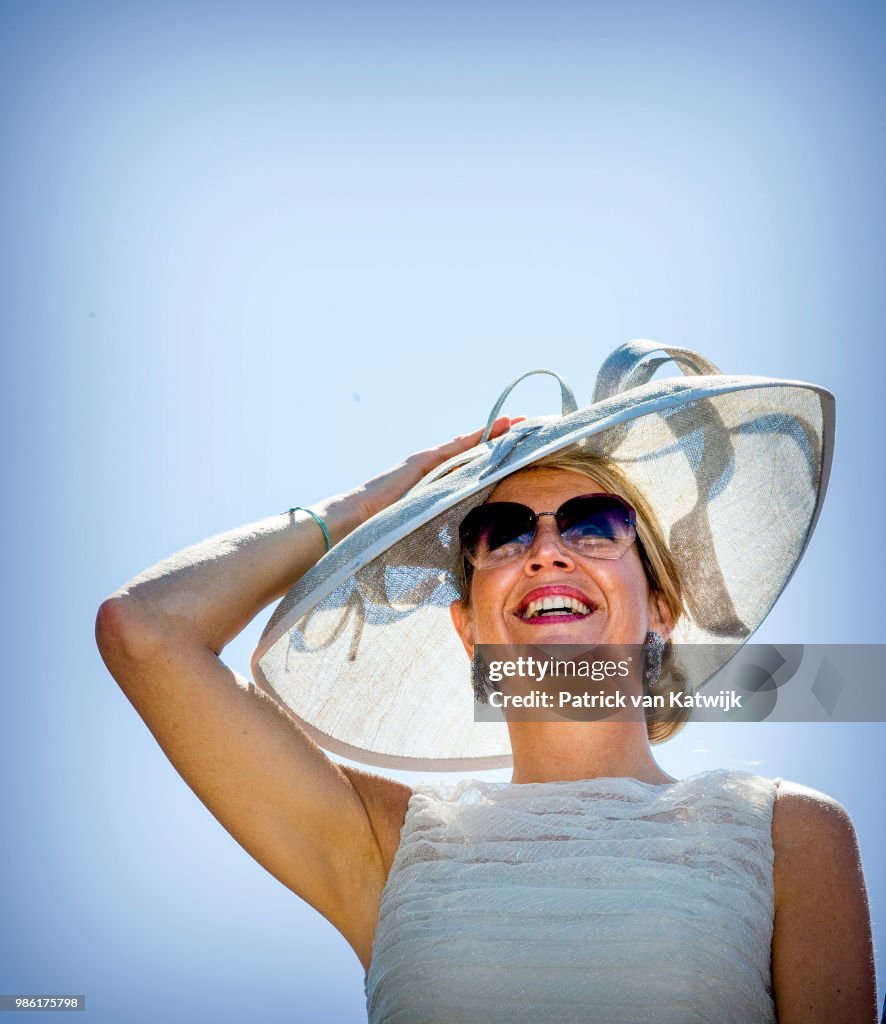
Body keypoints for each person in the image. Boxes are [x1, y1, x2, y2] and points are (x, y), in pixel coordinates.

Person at [96, 343, 878, 1023]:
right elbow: (147, 632)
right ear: (469, 626)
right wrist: (368, 506)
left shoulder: (785, 832)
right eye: (500, 534)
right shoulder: (387, 845)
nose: (545, 551)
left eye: (595, 523)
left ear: (662, 610)